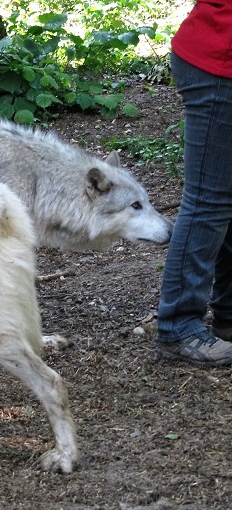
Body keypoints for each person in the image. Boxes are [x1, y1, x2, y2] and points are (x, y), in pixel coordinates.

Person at [156, 1, 232, 366]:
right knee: (208, 201)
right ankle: (178, 326)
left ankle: (229, 316)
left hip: (219, 58)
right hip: (218, 63)